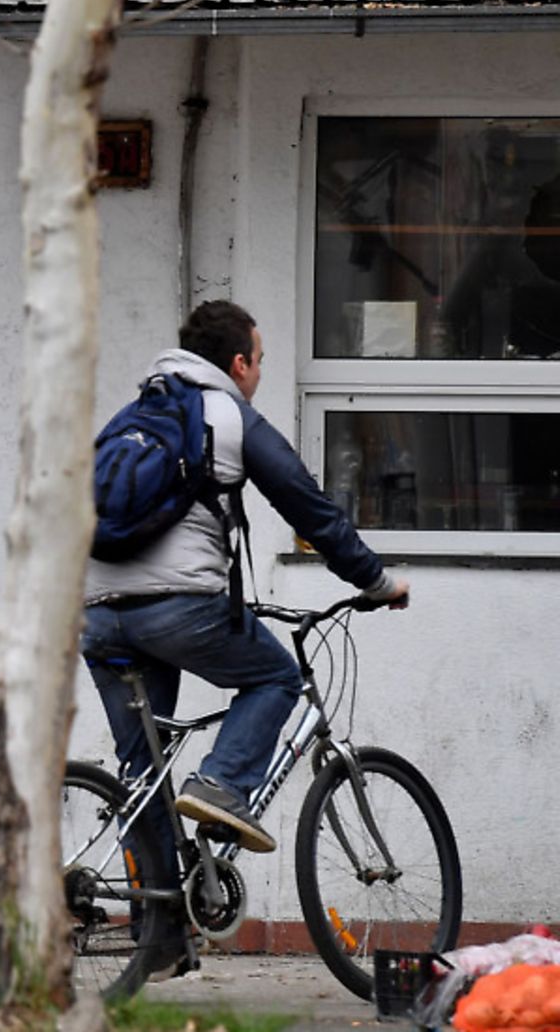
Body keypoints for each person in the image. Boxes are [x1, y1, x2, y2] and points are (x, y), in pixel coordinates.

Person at [83, 300, 409, 969]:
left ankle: (160, 938)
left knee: (142, 772)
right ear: (239, 362)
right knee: (275, 676)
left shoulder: (131, 416)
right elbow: (305, 502)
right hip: (179, 609)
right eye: (259, 362)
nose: (258, 375)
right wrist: (375, 581)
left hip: (97, 612)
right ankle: (223, 787)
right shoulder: (226, 413)